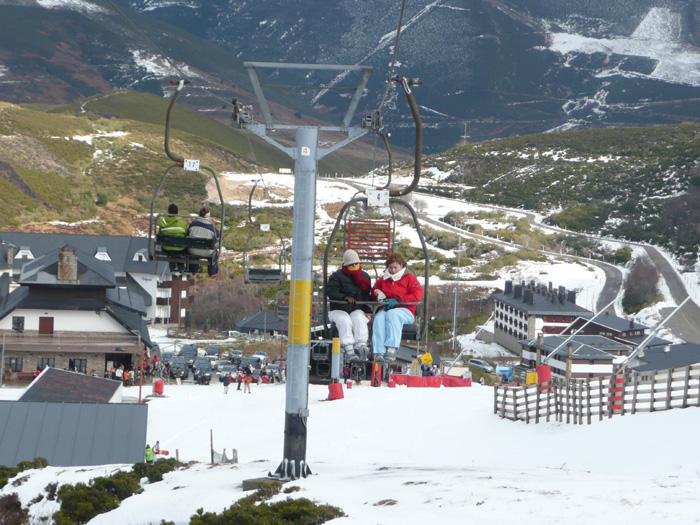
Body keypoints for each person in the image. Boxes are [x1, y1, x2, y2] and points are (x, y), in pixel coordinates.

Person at [371, 253, 424, 362]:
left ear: (401, 266)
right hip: (386, 309)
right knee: (379, 318)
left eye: (395, 267)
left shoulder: (409, 278)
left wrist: (398, 301)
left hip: (405, 311)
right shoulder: (384, 279)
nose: (393, 270)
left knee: (393, 315)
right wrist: (376, 293)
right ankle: (379, 350)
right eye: (390, 268)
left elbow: (417, 294)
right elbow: (374, 291)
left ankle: (391, 347)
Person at [326, 249, 373, 362]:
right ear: (346, 265)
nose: (354, 266)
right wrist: (343, 298)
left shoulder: (364, 277)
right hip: (339, 309)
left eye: (356, 263)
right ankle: (349, 350)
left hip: (356, 309)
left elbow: (366, 295)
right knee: (344, 320)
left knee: (359, 318)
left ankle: (362, 345)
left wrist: (368, 308)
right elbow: (331, 292)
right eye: (351, 264)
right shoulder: (336, 277)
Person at [187, 206, 219, 277]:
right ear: (209, 217)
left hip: (193, 251)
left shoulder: (192, 224)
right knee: (215, 251)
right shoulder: (212, 227)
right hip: (207, 252)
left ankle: (193, 270)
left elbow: (188, 234)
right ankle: (212, 272)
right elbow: (217, 238)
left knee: (194, 248)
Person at [157, 203, 188, 273]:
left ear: (168, 212)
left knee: (171, 248)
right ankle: (180, 265)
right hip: (180, 248)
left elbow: (160, 234)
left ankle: (172, 264)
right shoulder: (183, 224)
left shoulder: (163, 223)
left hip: (166, 248)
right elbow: (186, 234)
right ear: (177, 212)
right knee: (180, 248)